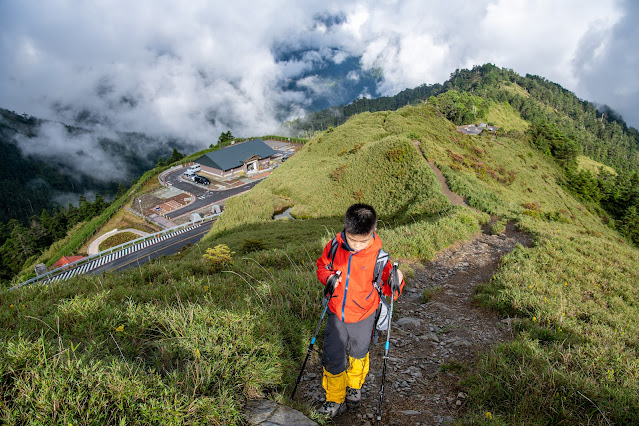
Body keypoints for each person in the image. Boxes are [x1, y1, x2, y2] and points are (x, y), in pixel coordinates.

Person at [315, 203, 404, 417]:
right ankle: (333, 398)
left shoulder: (380, 257)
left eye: (362, 242)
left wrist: (396, 283)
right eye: (352, 239)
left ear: (373, 232)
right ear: (345, 229)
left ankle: (354, 387)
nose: (356, 246)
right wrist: (328, 278)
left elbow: (388, 289)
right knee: (332, 356)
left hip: (365, 315)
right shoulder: (334, 246)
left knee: (359, 353)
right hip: (336, 312)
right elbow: (322, 266)